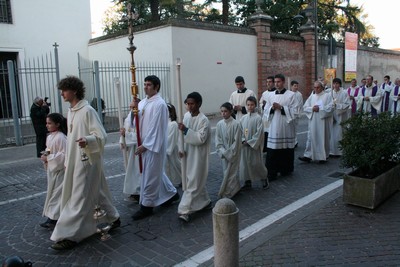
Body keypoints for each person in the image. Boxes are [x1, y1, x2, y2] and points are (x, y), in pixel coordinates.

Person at [50, 76, 120, 250]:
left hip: (87, 159)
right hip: (74, 160)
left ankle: (69, 235)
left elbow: (101, 135)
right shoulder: (71, 111)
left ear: (74, 90)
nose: (62, 94)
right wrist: (67, 160)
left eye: (64, 90)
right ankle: (113, 217)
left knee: (79, 195)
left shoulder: (87, 110)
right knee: (98, 190)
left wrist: (88, 141)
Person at [131, 75, 179, 220]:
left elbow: (156, 128)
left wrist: (146, 145)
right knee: (153, 172)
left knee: (151, 174)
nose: (145, 87)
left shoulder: (160, 104)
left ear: (156, 87)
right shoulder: (142, 102)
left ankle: (147, 206)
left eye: (149, 85)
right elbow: (135, 123)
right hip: (144, 143)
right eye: (144, 84)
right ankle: (171, 194)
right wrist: (133, 110)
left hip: (153, 145)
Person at [177, 92, 212, 222]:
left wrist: (186, 130)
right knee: (193, 180)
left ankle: (184, 210)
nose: (189, 106)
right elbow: (179, 136)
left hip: (198, 156)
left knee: (193, 181)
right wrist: (180, 148)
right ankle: (205, 201)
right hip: (187, 154)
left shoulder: (204, 120)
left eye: (192, 104)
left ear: (199, 104)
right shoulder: (186, 116)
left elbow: (201, 138)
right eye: (188, 104)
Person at [264, 74, 297, 180]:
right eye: (275, 82)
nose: (276, 84)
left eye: (278, 82)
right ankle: (271, 172)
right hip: (274, 125)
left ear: (283, 82)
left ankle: (285, 170)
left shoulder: (291, 95)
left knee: (285, 149)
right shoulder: (270, 95)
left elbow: (295, 111)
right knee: (273, 149)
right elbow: (265, 111)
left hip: (285, 126)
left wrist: (282, 108)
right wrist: (272, 109)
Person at [39, 113, 67, 229]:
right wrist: (46, 156)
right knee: (53, 194)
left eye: (49, 123)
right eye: (46, 123)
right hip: (53, 171)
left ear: (58, 124)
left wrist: (49, 158)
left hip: (60, 172)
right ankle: (54, 217)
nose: (47, 125)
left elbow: (64, 155)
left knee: (57, 195)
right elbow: (49, 150)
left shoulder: (61, 137)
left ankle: (53, 219)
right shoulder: (50, 137)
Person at [299, 81, 334, 163]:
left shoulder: (327, 96)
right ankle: (308, 155)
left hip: (323, 122)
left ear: (322, 87)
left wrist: (320, 109)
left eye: (318, 87)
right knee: (311, 138)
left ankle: (323, 156)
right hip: (313, 121)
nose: (316, 89)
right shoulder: (312, 96)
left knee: (323, 138)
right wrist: (312, 109)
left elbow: (331, 107)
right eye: (314, 87)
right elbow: (305, 107)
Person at [240, 96, 269, 189]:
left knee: (256, 163)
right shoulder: (243, 118)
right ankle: (247, 181)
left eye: (252, 105)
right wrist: (243, 140)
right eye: (248, 105)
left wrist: (251, 142)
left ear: (255, 105)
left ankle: (264, 178)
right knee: (245, 164)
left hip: (253, 146)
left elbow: (260, 132)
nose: (250, 107)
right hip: (245, 146)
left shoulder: (258, 118)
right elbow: (240, 131)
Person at [215, 102, 242, 199]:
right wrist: (222, 151)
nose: (223, 113)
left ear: (231, 111)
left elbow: (237, 141)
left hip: (233, 154)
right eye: (221, 111)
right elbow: (218, 140)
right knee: (225, 172)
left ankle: (230, 191)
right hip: (224, 154)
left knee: (232, 173)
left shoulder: (236, 124)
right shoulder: (219, 124)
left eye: (225, 111)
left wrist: (229, 153)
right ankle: (235, 188)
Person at [119, 104, 141, 203]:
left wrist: (126, 135)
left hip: (139, 148)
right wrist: (122, 140)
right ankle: (134, 192)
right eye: (130, 107)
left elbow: (140, 135)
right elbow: (124, 128)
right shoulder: (129, 117)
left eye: (133, 107)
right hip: (131, 148)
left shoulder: (141, 116)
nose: (131, 108)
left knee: (138, 172)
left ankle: (139, 192)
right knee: (132, 171)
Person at [327, 78, 351, 157]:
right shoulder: (330, 93)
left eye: (337, 83)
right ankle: (331, 151)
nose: (335, 85)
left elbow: (347, 104)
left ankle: (339, 151)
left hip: (341, 116)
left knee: (339, 134)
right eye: (334, 83)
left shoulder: (344, 93)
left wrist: (338, 106)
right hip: (332, 116)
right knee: (331, 134)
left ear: (340, 84)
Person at [165, 103, 182, 187]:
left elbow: (171, 138)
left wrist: (164, 147)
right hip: (165, 148)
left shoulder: (173, 124)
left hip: (171, 148)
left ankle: (179, 180)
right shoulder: (163, 123)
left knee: (174, 165)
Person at [259, 76, 276, 152]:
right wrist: (262, 105)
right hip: (265, 117)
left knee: (272, 131)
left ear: (273, 83)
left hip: (273, 116)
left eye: (270, 82)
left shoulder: (276, 93)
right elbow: (260, 103)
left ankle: (272, 148)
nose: (268, 83)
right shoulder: (264, 93)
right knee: (265, 132)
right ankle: (265, 148)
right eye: (267, 82)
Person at [290, 80, 304, 147]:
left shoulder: (299, 94)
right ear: (291, 86)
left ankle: (295, 142)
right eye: (295, 86)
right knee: (290, 128)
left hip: (296, 113)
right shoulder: (289, 94)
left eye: (297, 86)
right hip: (290, 113)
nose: (296, 87)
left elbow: (301, 104)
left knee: (295, 128)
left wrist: (299, 113)